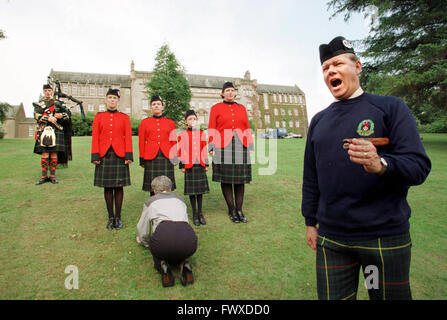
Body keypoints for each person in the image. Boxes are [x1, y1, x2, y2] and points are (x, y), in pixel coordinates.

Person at [301, 36, 431, 300]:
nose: (331, 71)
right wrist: (310, 222)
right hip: (333, 238)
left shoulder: (390, 108)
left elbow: (418, 166)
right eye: (326, 68)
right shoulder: (319, 120)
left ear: (357, 67)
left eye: (338, 64)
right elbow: (311, 176)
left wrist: (381, 163)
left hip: (381, 236)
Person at [136, 175, 197, 287]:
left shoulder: (149, 202)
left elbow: (143, 229)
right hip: (189, 239)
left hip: (164, 239)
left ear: (154, 191)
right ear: (170, 189)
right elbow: (186, 221)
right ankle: (184, 262)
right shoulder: (180, 200)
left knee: (159, 247)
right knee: (177, 244)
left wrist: (145, 242)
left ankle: (163, 265)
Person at [208, 82, 253, 223]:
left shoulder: (242, 108)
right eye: (227, 90)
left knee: (240, 180)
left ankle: (239, 209)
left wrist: (250, 145)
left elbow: (246, 126)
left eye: (232, 90)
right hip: (222, 146)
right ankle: (231, 209)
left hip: (241, 145)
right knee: (226, 179)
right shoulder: (215, 108)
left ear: (235, 93)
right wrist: (211, 146)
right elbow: (212, 128)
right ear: (222, 93)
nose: (230, 93)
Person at [91, 88, 133, 230]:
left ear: (118, 101)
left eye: (114, 98)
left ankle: (118, 217)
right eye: (110, 97)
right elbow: (95, 136)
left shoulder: (124, 118)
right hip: (104, 155)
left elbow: (128, 136)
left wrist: (129, 155)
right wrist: (95, 155)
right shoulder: (99, 117)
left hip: (120, 155)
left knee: (119, 187)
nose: (112, 100)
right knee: (108, 187)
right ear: (106, 100)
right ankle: (111, 218)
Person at [139, 95, 178, 196]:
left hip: (166, 156)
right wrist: (142, 158)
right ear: (151, 107)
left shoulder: (171, 123)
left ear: (162, 107)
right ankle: (154, 206)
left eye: (158, 104)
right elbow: (141, 142)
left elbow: (173, 141)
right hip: (151, 157)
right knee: (153, 185)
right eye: (154, 104)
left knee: (167, 183)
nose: (156, 106)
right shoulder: (144, 123)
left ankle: (166, 207)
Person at [33, 84, 72, 185]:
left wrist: (60, 115)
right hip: (44, 129)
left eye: (49, 90)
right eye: (45, 90)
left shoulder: (59, 103)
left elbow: (68, 114)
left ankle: (52, 176)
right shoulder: (39, 104)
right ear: (43, 91)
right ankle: (44, 176)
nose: (47, 92)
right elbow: (36, 115)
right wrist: (46, 118)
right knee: (45, 153)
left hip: (56, 129)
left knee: (54, 153)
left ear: (52, 91)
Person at [178, 109, 210, 226]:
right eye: (190, 119)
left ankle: (200, 213)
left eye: (194, 119)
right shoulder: (183, 135)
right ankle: (195, 213)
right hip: (189, 166)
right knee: (192, 191)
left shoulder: (201, 134)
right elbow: (181, 151)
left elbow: (204, 149)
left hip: (200, 164)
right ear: (186, 122)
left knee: (200, 191)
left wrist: (206, 164)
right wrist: (182, 165)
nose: (193, 121)